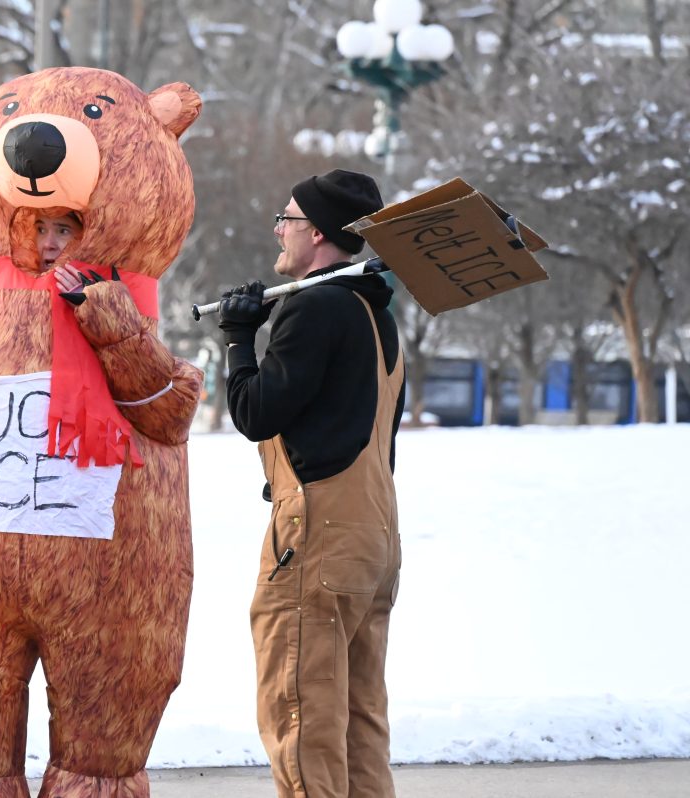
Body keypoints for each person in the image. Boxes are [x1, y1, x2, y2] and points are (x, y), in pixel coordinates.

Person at [216, 169, 405, 798]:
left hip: (317, 534)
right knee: (358, 716)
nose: (278, 228)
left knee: (300, 715)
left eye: (288, 217)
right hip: (374, 534)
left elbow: (255, 412)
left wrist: (239, 338)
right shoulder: (375, 314)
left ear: (318, 232)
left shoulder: (314, 306)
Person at [0, 210, 86, 311]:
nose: (48, 244)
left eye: (63, 231)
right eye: (41, 230)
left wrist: (88, 303)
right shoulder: (10, 277)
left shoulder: (100, 286)